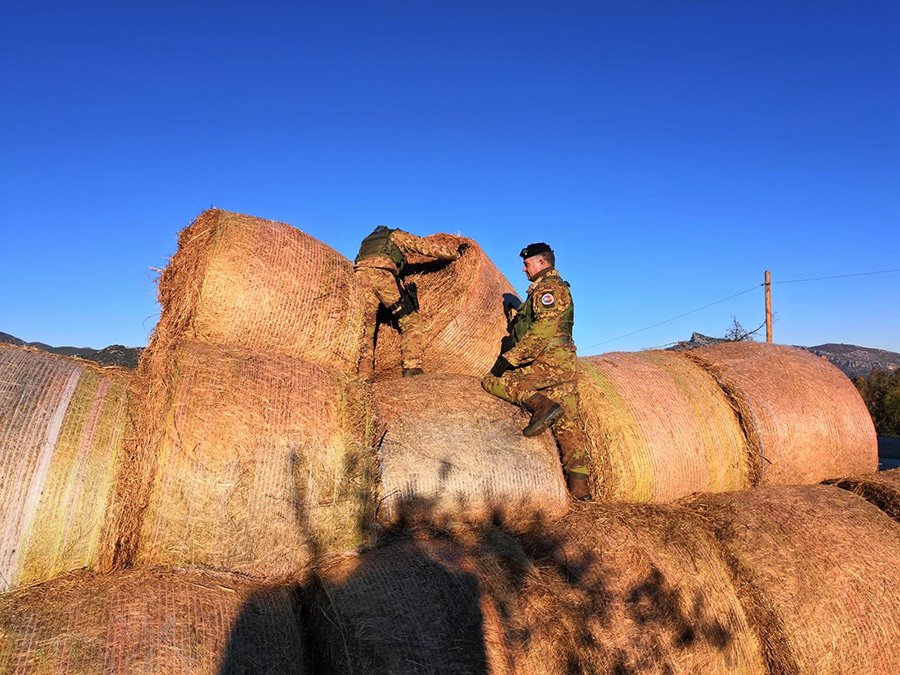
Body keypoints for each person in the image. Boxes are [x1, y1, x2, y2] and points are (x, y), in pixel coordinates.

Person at [481, 242, 592, 501]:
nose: (523, 269)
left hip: (547, 361)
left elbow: (542, 331)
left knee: (493, 381)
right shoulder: (544, 291)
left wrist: (510, 359)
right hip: (564, 365)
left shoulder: (548, 289)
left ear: (542, 262)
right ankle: (580, 489)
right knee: (568, 425)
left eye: (527, 263)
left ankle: (541, 406)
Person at [355, 226, 460, 379]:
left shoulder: (366, 242)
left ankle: (364, 375)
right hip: (382, 275)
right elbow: (424, 247)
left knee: (367, 329)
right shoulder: (395, 235)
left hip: (359, 276)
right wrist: (455, 253)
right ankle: (412, 367)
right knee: (410, 320)